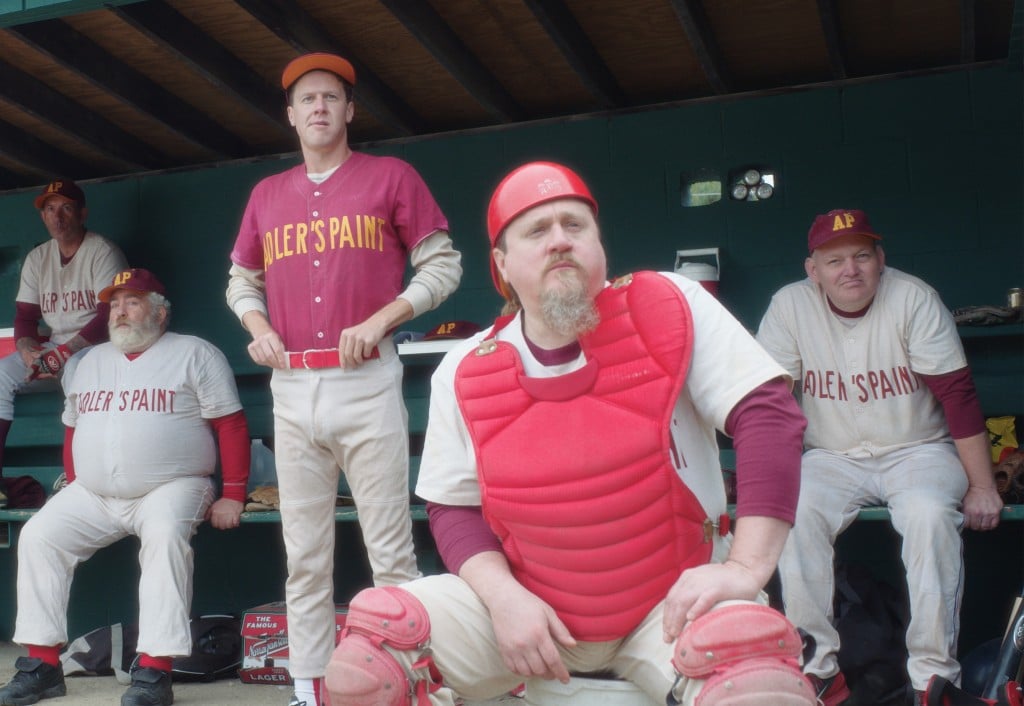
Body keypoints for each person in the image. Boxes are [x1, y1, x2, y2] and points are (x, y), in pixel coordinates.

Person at [322, 161, 815, 706]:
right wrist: (504, 599)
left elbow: (769, 413)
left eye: (575, 225)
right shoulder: (464, 369)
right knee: (370, 662)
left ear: (599, 246)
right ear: (502, 264)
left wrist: (746, 568)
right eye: (537, 230)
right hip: (533, 616)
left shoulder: (670, 305)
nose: (560, 240)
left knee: (757, 686)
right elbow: (452, 508)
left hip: (672, 605)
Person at [225, 52, 462, 706]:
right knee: (305, 556)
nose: (320, 107)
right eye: (308, 99)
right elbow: (241, 279)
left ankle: (412, 681)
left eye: (332, 97)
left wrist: (387, 317)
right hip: (293, 384)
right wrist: (256, 324)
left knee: (390, 552)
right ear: (292, 115)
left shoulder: (390, 176)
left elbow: (441, 266)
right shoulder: (267, 194)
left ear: (350, 110)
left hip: (365, 379)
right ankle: (308, 689)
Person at [755, 209, 1005, 706]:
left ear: (880, 259)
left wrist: (982, 486)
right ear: (813, 270)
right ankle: (817, 668)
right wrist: (764, 487)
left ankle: (933, 679)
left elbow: (957, 395)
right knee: (794, 514)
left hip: (918, 450)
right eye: (835, 260)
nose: (851, 269)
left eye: (862, 256)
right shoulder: (789, 307)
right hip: (831, 456)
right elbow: (771, 404)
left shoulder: (913, 297)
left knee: (929, 515)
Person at [0, 268, 250, 706]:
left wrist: (233, 492)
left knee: (165, 537)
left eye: (132, 301)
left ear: (160, 312)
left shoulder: (195, 353)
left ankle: (154, 671)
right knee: (40, 536)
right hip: (95, 494)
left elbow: (230, 424)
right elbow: (72, 430)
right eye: (113, 304)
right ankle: (42, 664)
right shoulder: (87, 362)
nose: (119, 312)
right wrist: (76, 484)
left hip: (174, 486)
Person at [0, 179, 127, 485]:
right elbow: (25, 317)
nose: (57, 217)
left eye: (66, 208)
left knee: (74, 369)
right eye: (50, 209)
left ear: (82, 214)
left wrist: (63, 352)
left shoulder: (102, 251)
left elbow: (107, 315)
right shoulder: (38, 258)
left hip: (101, 349)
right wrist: (28, 350)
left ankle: (80, 473)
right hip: (58, 348)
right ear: (43, 216)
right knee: (2, 373)